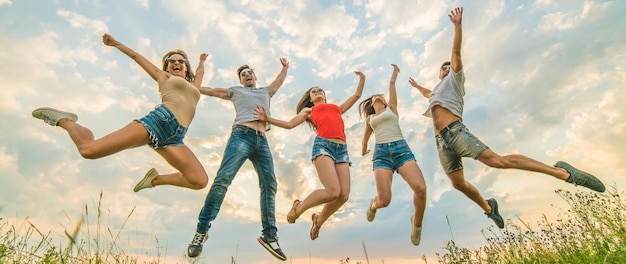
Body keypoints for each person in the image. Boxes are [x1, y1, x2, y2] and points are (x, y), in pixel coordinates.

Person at [408, 7, 605, 229]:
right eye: (442, 68)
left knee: (496, 161)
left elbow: (456, 53)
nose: (446, 68)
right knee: (458, 184)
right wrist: (416, 87)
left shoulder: (455, 80)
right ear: (438, 74)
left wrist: (458, 26)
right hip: (441, 143)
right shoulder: (436, 92)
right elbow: (428, 93)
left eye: (448, 66)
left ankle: (563, 173)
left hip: (455, 133)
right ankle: (489, 208)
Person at [32, 33, 209, 192]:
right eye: (171, 61)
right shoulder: (164, 77)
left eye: (181, 61)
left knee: (199, 180)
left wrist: (201, 61)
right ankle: (65, 121)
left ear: (186, 67)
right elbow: (136, 57)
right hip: (158, 123)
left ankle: (155, 179)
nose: (176, 62)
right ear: (167, 67)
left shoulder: (194, 87)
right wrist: (116, 43)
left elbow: (200, 73)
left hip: (175, 137)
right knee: (88, 150)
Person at [187, 58, 289, 261]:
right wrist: (193, 80)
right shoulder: (235, 91)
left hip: (263, 141)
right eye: (243, 74)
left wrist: (285, 68)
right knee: (223, 179)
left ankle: (269, 235)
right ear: (240, 80)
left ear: (255, 75)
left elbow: (278, 82)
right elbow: (211, 90)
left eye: (250, 72)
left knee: (270, 185)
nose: (247, 75)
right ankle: (201, 232)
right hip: (241, 135)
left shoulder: (265, 91)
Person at [254, 71, 366, 241]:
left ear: (325, 95)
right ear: (310, 99)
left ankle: (318, 221)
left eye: (320, 90)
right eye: (314, 91)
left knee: (344, 196)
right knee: (333, 191)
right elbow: (290, 124)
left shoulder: (336, 108)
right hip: (323, 147)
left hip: (342, 150)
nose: (318, 92)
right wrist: (267, 118)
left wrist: (362, 78)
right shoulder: (309, 110)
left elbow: (357, 95)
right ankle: (299, 208)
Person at [358, 64, 427, 245]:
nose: (378, 95)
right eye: (375, 96)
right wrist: (363, 150)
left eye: (380, 95)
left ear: (385, 100)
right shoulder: (370, 119)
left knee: (420, 188)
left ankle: (416, 223)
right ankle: (373, 204)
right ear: (372, 103)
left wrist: (395, 72)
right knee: (384, 200)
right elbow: (365, 138)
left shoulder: (392, 109)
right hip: (381, 155)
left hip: (401, 150)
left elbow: (392, 84)